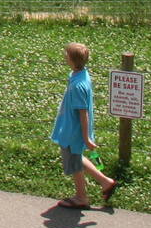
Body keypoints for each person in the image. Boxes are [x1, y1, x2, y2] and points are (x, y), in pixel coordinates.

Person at [50, 41, 117, 209]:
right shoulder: (80, 75)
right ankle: (105, 182)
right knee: (76, 157)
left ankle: (81, 197)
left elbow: (83, 113)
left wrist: (86, 137)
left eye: (66, 55)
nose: (64, 57)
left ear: (72, 60)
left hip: (73, 130)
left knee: (74, 163)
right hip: (71, 128)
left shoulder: (79, 85)